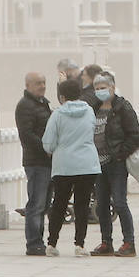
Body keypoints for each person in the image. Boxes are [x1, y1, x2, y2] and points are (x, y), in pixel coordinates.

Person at [42, 77, 100, 258]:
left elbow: (48, 142)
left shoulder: (58, 114)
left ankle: (51, 244)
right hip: (87, 164)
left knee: (59, 204)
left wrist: (54, 149)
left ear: (61, 96)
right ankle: (80, 245)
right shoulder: (89, 111)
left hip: (64, 165)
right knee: (82, 205)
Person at [89, 70, 139, 257]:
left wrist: (120, 154)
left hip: (116, 163)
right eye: (96, 88)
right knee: (102, 204)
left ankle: (129, 242)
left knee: (120, 202)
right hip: (98, 164)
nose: (100, 91)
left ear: (112, 87)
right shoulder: (93, 108)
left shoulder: (122, 108)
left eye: (103, 87)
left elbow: (136, 136)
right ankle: (106, 242)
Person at [14, 71, 53, 256]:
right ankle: (33, 243)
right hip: (36, 161)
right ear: (28, 85)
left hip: (48, 161)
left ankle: (39, 241)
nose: (42, 86)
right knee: (36, 204)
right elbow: (27, 135)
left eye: (44, 82)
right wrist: (46, 147)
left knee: (44, 204)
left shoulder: (43, 104)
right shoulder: (25, 106)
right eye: (38, 83)